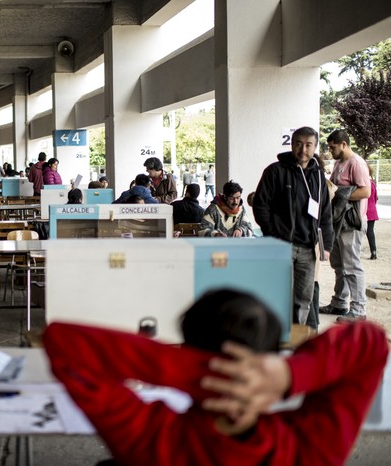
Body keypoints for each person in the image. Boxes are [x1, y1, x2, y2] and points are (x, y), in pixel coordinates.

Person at [43, 289, 388, 466]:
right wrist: (288, 374)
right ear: (268, 359)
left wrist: (196, 370)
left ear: (187, 346)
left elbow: (62, 342)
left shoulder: (153, 441)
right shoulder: (306, 451)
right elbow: (371, 342)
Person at [253, 126, 334, 331]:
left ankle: (295, 337)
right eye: (298, 143)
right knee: (278, 293)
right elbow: (261, 205)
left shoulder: (318, 176)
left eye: (308, 145)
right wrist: (273, 233)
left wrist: (327, 244)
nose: (303, 149)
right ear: (292, 144)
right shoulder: (275, 171)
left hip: (308, 247)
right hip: (282, 245)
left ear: (315, 146)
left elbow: (325, 212)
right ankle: (276, 335)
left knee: (304, 297)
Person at [320, 129, 371, 322]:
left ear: (343, 144)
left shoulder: (356, 162)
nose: (331, 151)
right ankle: (339, 303)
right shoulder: (339, 163)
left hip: (351, 223)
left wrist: (339, 193)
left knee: (352, 266)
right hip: (338, 222)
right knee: (339, 265)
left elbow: (365, 192)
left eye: (333, 147)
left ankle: (358, 309)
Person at [366, 163, 378, 260]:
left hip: (363, 211)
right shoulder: (373, 184)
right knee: (370, 231)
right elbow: (375, 198)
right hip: (372, 211)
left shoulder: (363, 184)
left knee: (358, 232)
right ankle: (373, 251)